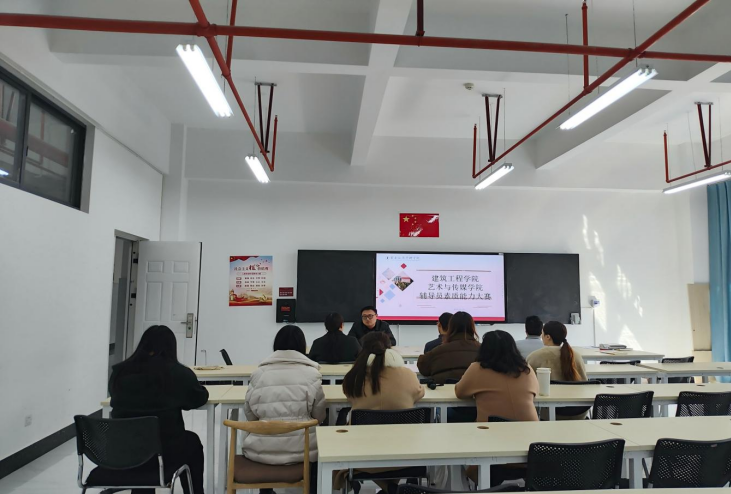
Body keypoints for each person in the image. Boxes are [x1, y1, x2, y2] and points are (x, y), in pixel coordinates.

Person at [109, 326, 208, 494]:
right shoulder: (178, 373)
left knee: (142, 442)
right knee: (192, 442)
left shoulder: (119, 372)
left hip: (123, 452)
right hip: (165, 452)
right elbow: (198, 399)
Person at [243, 325, 326, 494]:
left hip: (261, 448)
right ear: (302, 346)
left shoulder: (258, 374)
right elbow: (319, 416)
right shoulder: (312, 374)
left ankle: (266, 491)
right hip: (302, 450)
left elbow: (250, 414)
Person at [340, 332, 425, 493]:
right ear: (390, 350)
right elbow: (419, 393)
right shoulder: (407, 375)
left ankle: (389, 489)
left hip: (362, 455)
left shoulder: (354, 378)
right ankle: (391, 488)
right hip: (407, 454)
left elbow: (349, 396)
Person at [455, 330, 539, 422]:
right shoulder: (526, 369)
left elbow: (459, 393)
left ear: (484, 349)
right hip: (529, 428)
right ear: (513, 348)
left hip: (490, 428)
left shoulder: (477, 368)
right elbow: (536, 391)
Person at [526, 321, 588, 420]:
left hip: (549, 413)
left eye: (542, 334)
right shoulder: (575, 356)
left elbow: (528, 385)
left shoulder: (535, 356)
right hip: (579, 413)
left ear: (548, 337)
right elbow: (585, 383)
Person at [416, 311, 480, 384]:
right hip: (474, 389)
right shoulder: (482, 349)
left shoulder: (438, 350)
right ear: (472, 328)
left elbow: (423, 369)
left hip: (442, 389)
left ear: (451, 328)